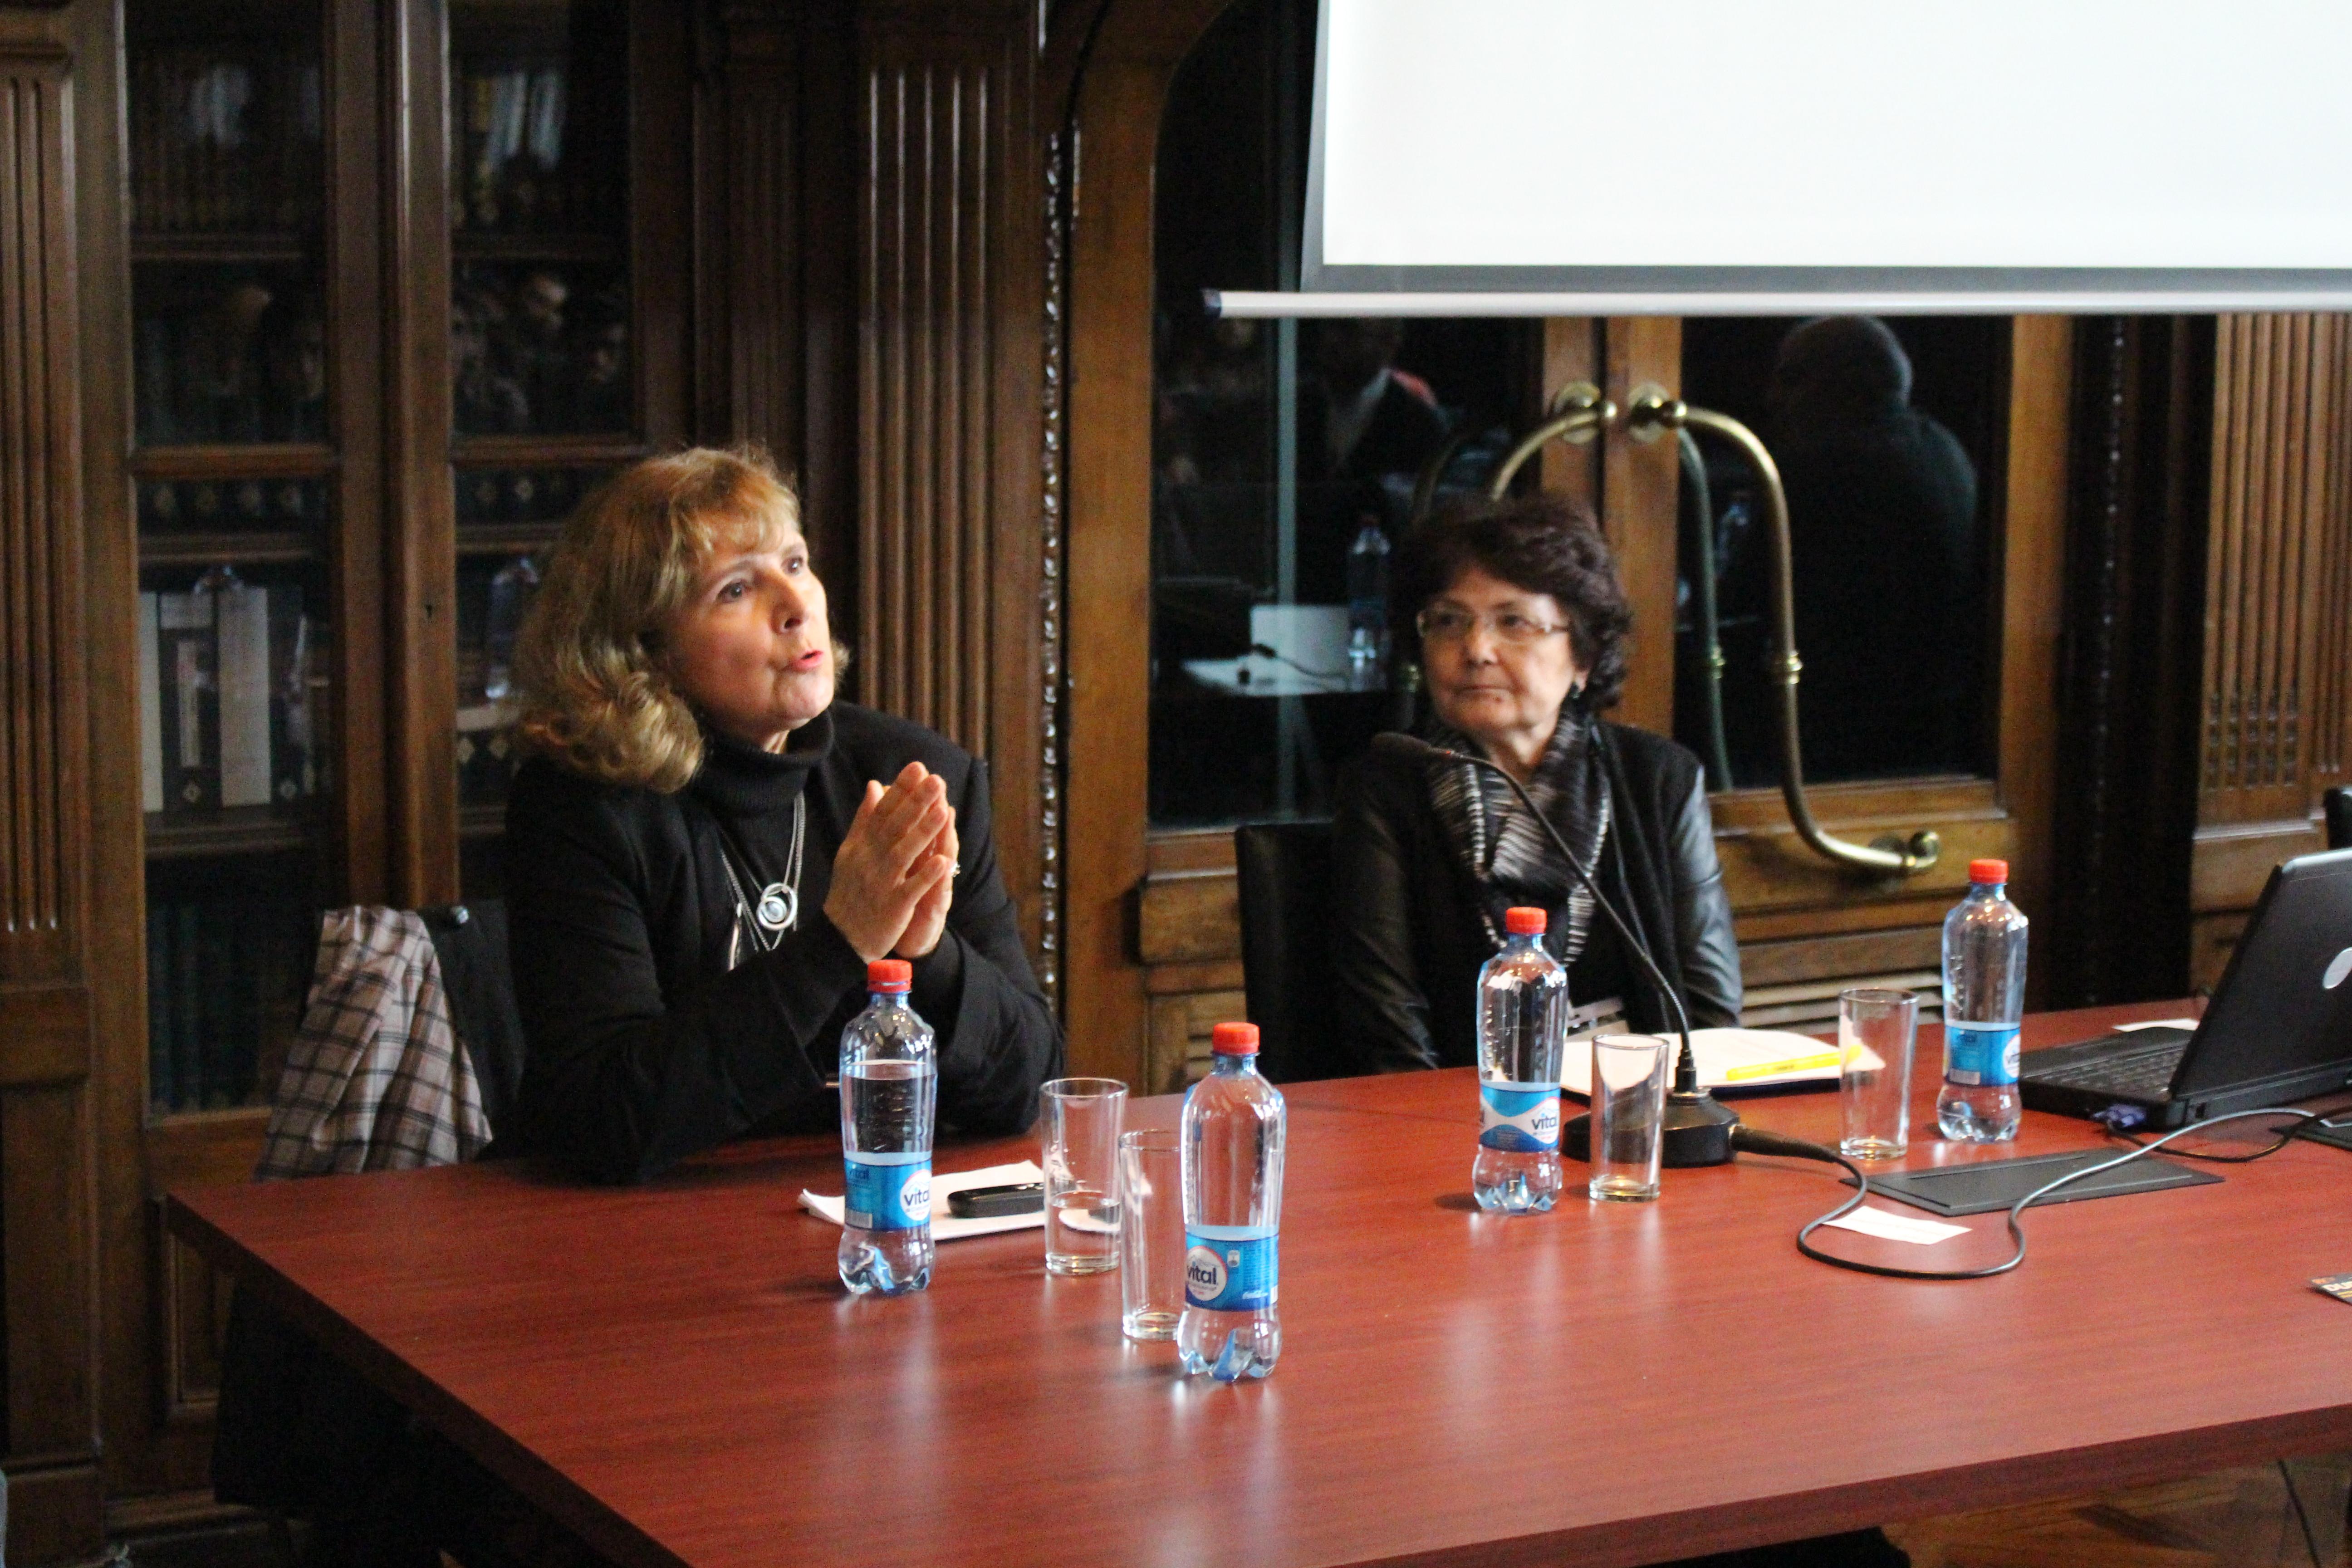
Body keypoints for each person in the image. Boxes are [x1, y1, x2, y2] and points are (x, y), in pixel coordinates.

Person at [501, 446, 1060, 1183]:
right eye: (735, 590)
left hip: (860, 1205)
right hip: (635, 1231)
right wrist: (839, 944)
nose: (797, 607)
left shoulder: (913, 775)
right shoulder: (582, 807)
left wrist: (930, 957)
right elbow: (605, 1118)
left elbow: (1035, 1085)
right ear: (646, 653)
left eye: (794, 564)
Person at [1331, 492, 1742, 1073]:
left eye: (1514, 622)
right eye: (1449, 621)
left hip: (1638, 1109)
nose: (1475, 649)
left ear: (1584, 656)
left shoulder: (1659, 779)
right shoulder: (1386, 786)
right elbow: (1388, 1034)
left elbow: (1710, 1014)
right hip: (1465, 1116)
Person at [1764, 315, 1980, 778]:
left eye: (1791, 379)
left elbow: (1747, 600)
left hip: (1860, 733)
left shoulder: (1827, 465)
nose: (1775, 399)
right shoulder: (1942, 445)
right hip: (1943, 719)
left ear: (1843, 383)